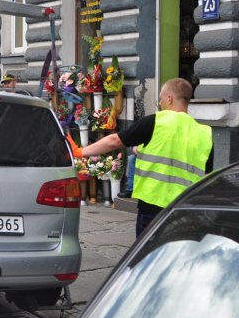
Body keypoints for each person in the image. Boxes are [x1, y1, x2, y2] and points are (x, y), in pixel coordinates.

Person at [67, 78, 213, 237]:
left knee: (147, 258)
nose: (160, 101)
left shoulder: (157, 121)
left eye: (161, 97)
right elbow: (206, 176)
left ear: (169, 98)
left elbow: (114, 141)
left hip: (154, 207)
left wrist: (81, 152)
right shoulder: (205, 133)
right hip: (186, 209)